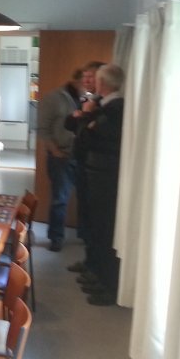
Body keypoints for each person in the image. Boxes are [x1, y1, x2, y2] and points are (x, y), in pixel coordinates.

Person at [76, 64, 125, 306]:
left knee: (105, 230)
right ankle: (97, 273)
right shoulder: (104, 106)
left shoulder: (116, 108)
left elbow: (86, 137)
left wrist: (86, 117)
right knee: (95, 226)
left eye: (95, 80)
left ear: (102, 83)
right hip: (97, 172)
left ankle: (109, 285)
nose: (92, 83)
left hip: (106, 175)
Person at [63, 61, 105, 274]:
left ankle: (95, 265)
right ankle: (89, 261)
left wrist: (84, 117)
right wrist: (80, 117)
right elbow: (69, 124)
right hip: (83, 163)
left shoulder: (105, 105)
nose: (86, 81)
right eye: (85, 77)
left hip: (96, 168)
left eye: (91, 77)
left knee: (96, 220)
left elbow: (86, 134)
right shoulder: (89, 100)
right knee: (86, 215)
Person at [37, 68, 85, 251]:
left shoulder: (89, 99)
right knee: (60, 199)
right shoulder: (54, 98)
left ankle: (85, 234)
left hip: (83, 156)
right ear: (76, 80)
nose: (89, 84)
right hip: (61, 156)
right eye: (86, 80)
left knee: (86, 198)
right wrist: (54, 150)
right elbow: (42, 128)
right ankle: (56, 237)